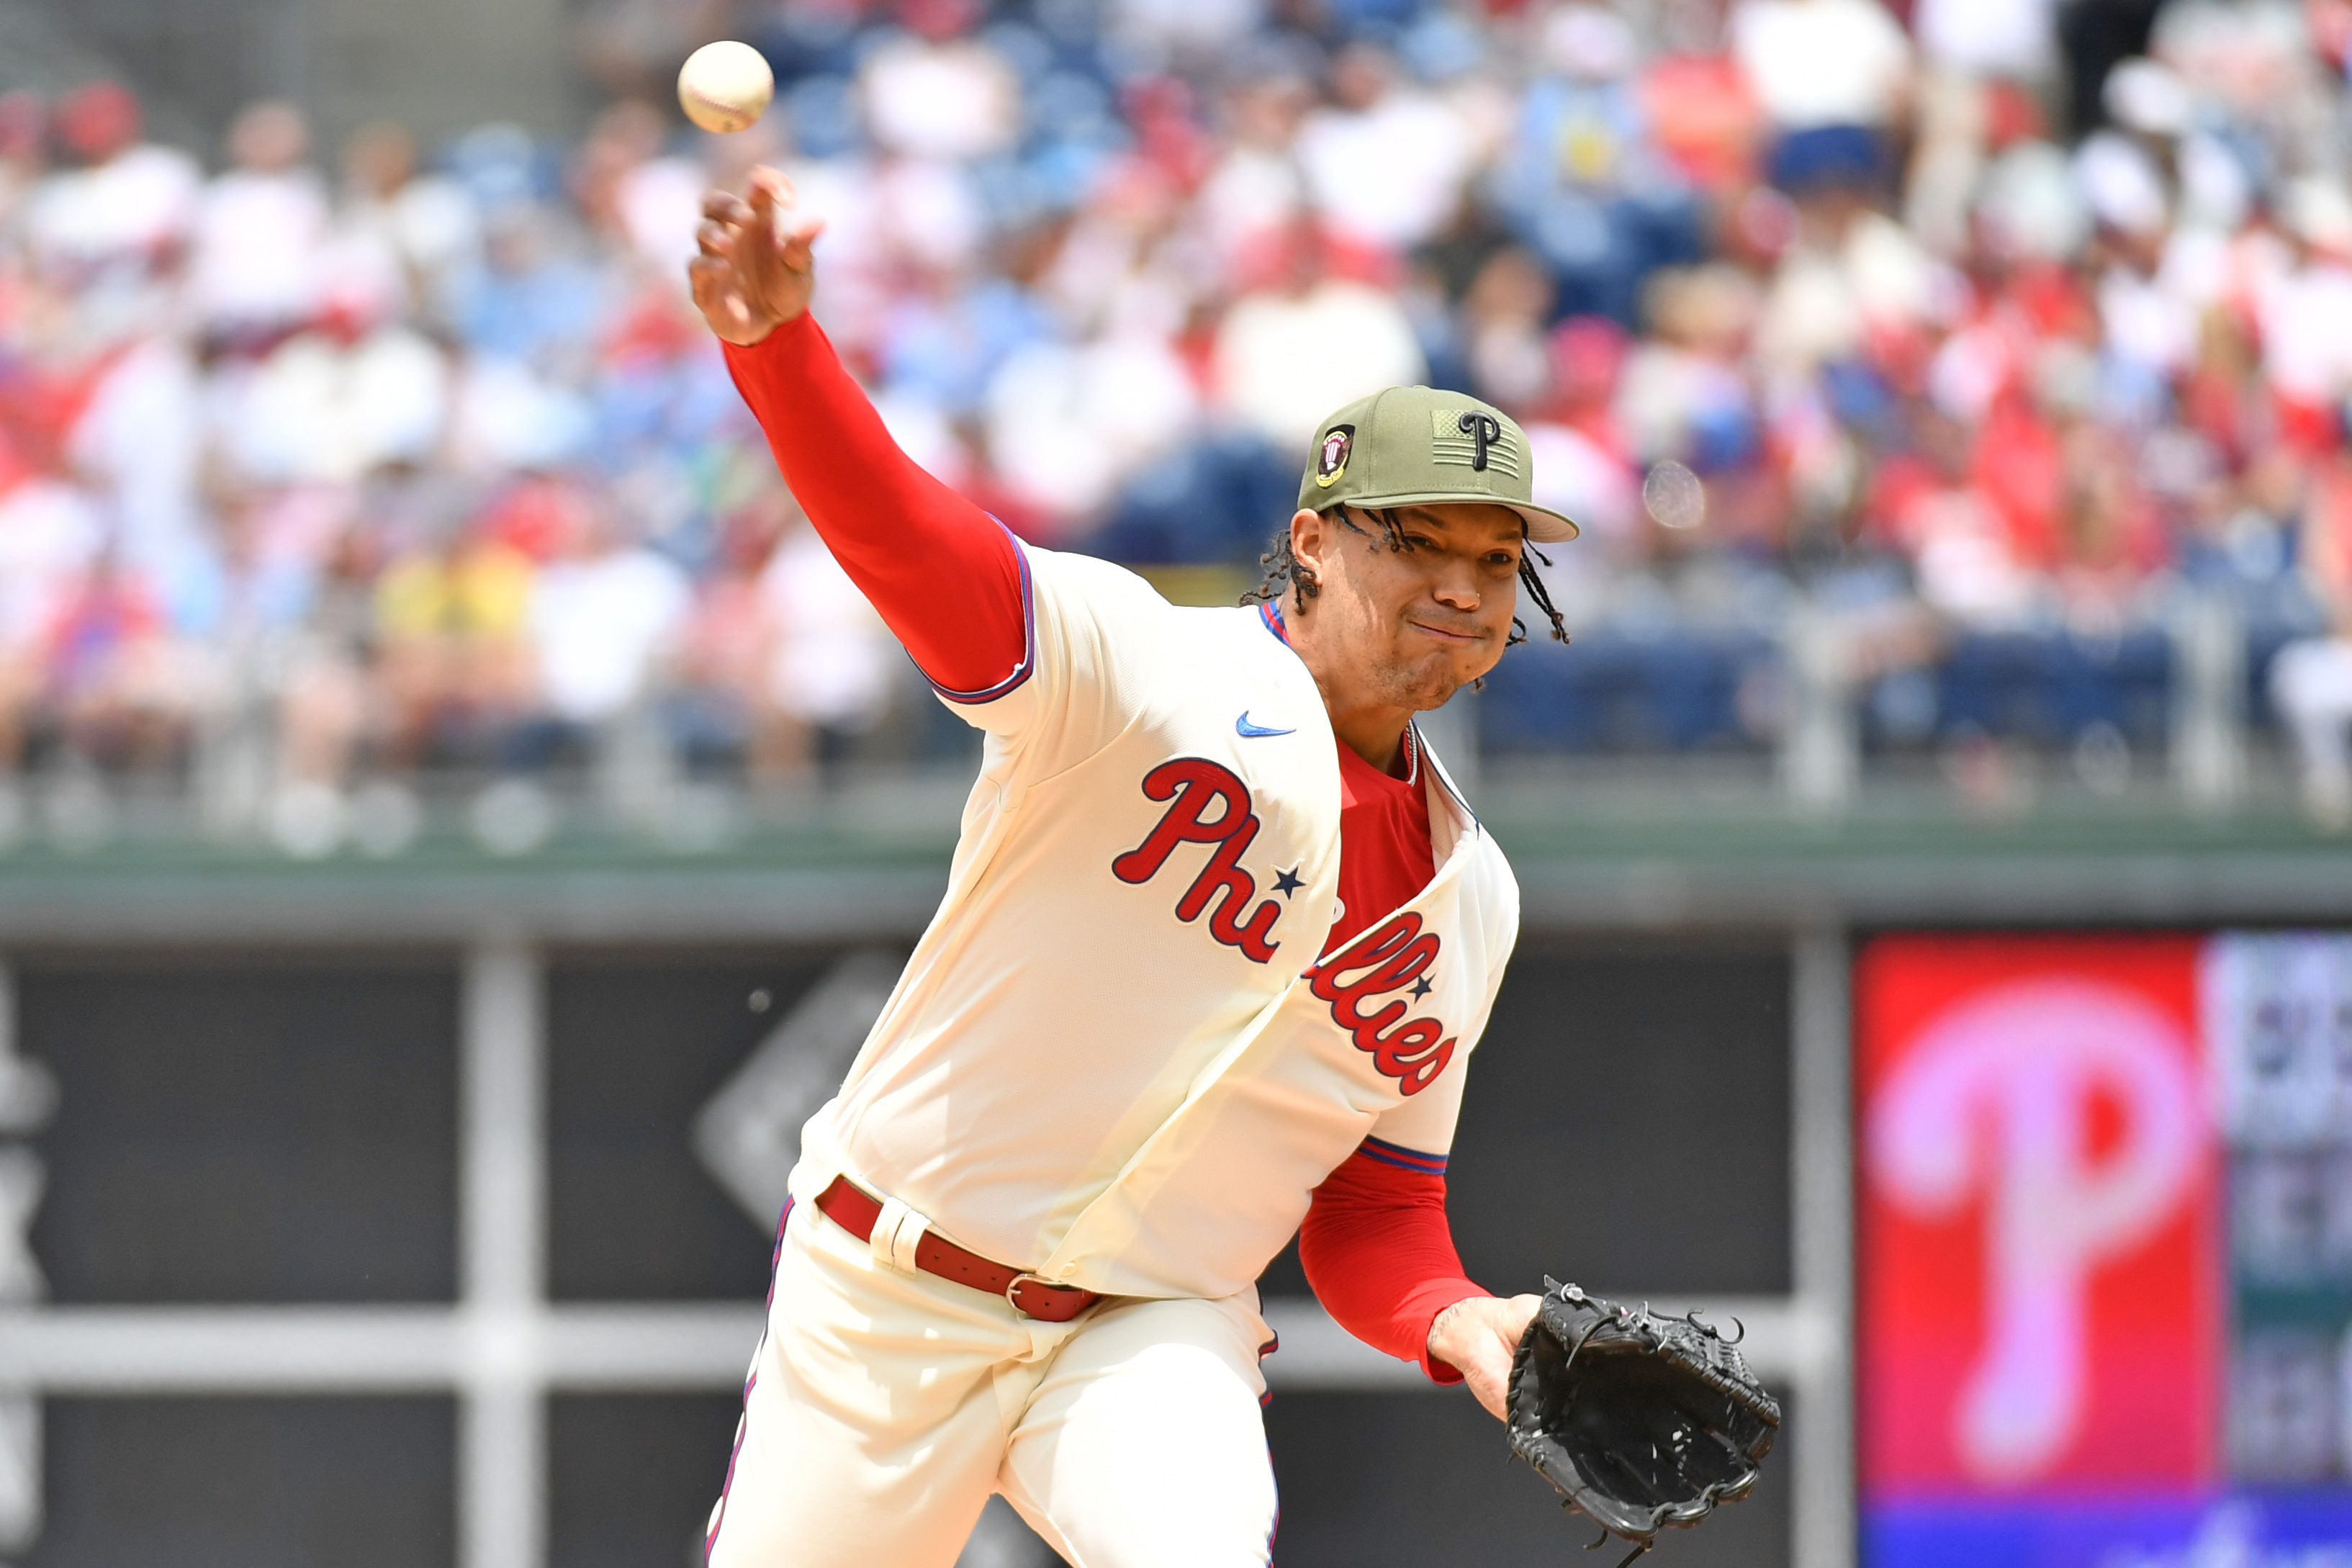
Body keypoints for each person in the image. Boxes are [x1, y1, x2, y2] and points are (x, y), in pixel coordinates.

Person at [688, 168, 1579, 1568]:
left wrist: (1452, 1315)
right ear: (1312, 541)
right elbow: (925, 560)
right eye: (1417, 542)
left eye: (1494, 556)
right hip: (886, 1290)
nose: (1461, 589)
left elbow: (1374, 1209)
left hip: (1148, 1331)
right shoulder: (1147, 667)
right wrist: (780, 353)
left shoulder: (1471, 899)